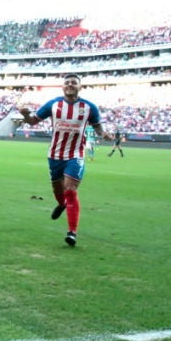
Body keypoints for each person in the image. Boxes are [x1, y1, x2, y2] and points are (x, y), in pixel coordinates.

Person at [17, 73, 113, 246]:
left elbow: (97, 125)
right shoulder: (53, 105)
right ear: (63, 86)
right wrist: (25, 114)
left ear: (80, 87)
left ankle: (72, 232)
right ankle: (61, 205)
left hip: (75, 154)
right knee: (58, 190)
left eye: (74, 83)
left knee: (70, 189)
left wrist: (103, 133)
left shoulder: (89, 107)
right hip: (55, 154)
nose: (70, 85)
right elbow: (32, 121)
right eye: (67, 82)